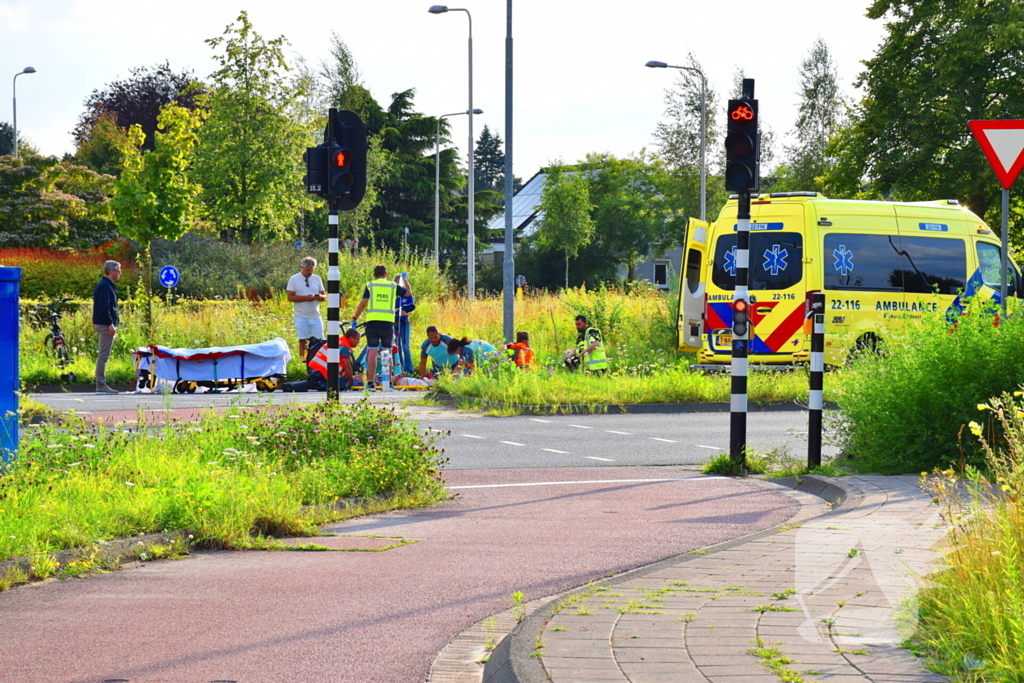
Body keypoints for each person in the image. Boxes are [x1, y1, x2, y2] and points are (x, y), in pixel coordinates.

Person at [351, 264, 410, 389]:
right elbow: (407, 293)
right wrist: (404, 280)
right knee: (387, 352)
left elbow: (363, 303)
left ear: (374, 275)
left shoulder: (370, 285)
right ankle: (387, 382)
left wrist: (355, 318)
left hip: (372, 322)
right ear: (386, 274)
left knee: (372, 351)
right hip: (388, 323)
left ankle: (371, 382)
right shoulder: (393, 286)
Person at [286, 257, 328, 360]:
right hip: (301, 316)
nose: (310, 272)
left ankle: (317, 362)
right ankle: (303, 360)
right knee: (302, 340)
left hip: (315, 315)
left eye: (312, 270)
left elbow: (324, 295)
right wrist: (305, 298)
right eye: (308, 270)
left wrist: (319, 297)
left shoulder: (317, 278)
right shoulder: (294, 279)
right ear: (302, 267)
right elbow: (290, 297)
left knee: (319, 341)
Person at [92, 260, 121, 395]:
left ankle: (101, 383)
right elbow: (104, 307)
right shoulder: (105, 286)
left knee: (103, 355)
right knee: (103, 355)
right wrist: (110, 324)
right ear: (112, 271)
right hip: (105, 324)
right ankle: (101, 384)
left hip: (104, 323)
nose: (120, 273)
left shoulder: (106, 285)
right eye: (118, 270)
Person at [394, 272, 416, 375]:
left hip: (405, 323)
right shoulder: (393, 296)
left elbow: (411, 307)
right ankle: (400, 371)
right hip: (395, 323)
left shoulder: (407, 296)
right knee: (397, 347)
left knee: (406, 347)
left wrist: (405, 279)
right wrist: (398, 311)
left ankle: (409, 371)